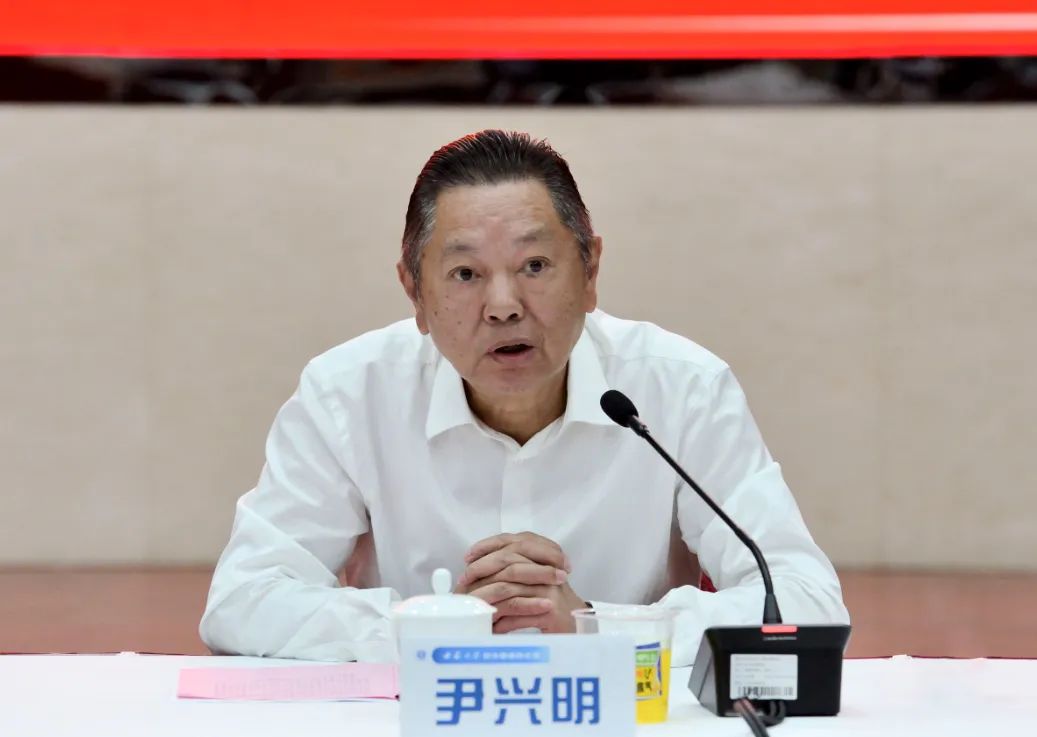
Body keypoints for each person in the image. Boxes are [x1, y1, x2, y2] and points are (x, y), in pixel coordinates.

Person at [199, 129, 849, 664]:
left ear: (590, 272)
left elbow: (805, 601)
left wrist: (592, 625)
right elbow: (241, 600)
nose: (504, 306)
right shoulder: (350, 393)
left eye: (535, 266)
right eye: (465, 274)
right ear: (414, 293)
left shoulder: (681, 389)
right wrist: (437, 627)